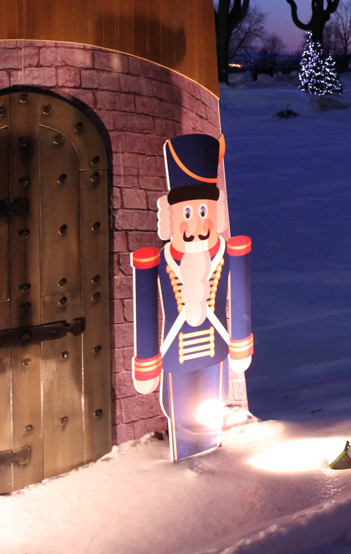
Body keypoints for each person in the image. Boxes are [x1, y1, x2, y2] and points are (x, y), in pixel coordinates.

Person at [131, 133, 253, 459]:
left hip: (216, 348)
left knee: (214, 403)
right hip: (176, 354)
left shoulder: (230, 253)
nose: (197, 223)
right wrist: (146, 361)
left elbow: (240, 294)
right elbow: (145, 311)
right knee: (181, 413)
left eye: (203, 211)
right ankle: (188, 461)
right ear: (170, 217)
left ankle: (211, 457)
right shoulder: (156, 261)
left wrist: (241, 343)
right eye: (187, 213)